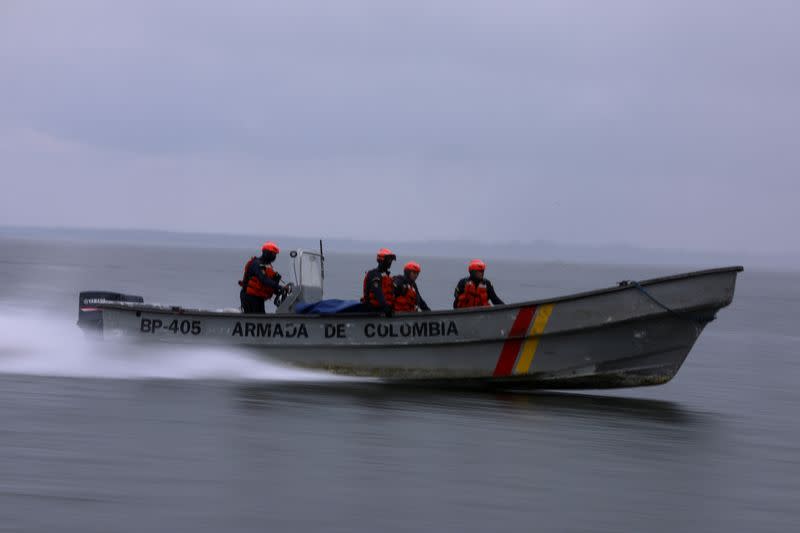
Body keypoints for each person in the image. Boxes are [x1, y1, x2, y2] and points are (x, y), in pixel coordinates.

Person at [239, 241, 285, 314]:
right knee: (256, 318)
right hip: (249, 296)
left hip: (258, 297)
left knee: (261, 316)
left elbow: (268, 283)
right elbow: (263, 279)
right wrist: (279, 286)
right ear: (266, 253)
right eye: (273, 254)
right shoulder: (256, 264)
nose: (274, 257)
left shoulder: (266, 266)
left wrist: (279, 289)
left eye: (275, 254)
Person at [362, 248, 396, 316]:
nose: (390, 262)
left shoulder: (387, 276)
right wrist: (385, 307)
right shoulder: (373, 274)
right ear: (382, 260)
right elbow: (378, 292)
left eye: (391, 260)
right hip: (373, 311)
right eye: (389, 260)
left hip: (384, 311)